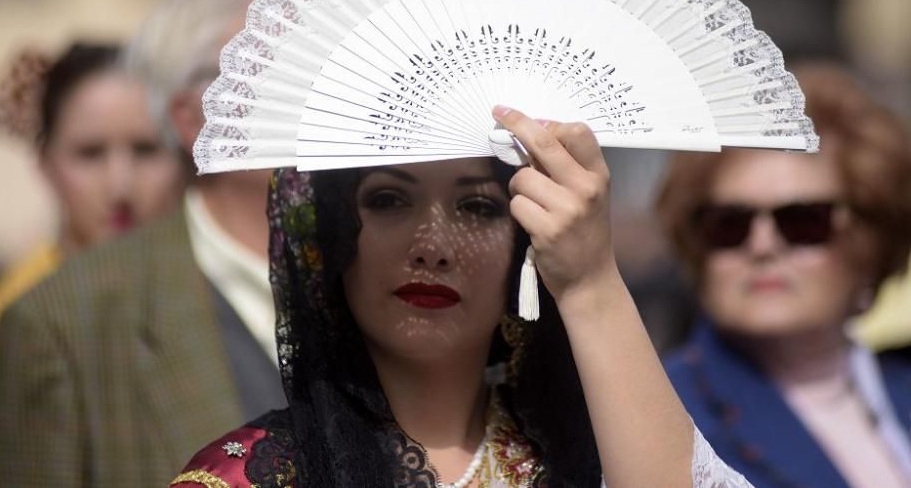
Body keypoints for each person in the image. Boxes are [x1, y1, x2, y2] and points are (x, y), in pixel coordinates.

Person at [172, 107, 753, 487]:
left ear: (524, 242)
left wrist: (589, 280)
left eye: (477, 207)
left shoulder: (596, 459)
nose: (432, 247)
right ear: (332, 236)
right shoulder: (243, 478)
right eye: (389, 201)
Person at [0, 0, 286, 488]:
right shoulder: (58, 327)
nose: (326, 94)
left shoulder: (391, 294)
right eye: (284, 68)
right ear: (197, 118)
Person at [0, 41, 182, 488]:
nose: (120, 185)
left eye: (145, 150)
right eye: (90, 153)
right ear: (45, 164)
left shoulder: (210, 306)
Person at [659, 63, 911, 488]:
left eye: (803, 221)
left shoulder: (900, 383)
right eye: (729, 224)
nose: (762, 246)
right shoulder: (661, 411)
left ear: (870, 242)